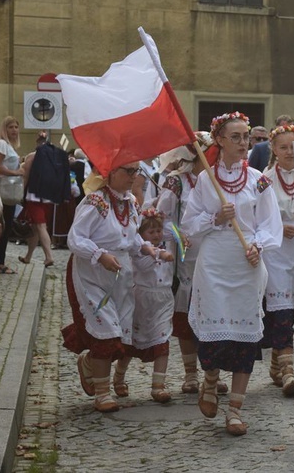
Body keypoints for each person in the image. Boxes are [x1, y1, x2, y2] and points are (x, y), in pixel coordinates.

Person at [181, 111, 282, 436]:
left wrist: (258, 246)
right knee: (215, 333)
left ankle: (235, 409)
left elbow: (271, 224)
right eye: (236, 137)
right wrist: (215, 217)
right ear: (220, 140)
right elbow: (187, 226)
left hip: (247, 265)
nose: (243, 143)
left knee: (244, 337)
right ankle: (210, 380)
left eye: (246, 137)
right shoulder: (204, 180)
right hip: (213, 266)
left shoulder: (259, 179)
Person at [61, 162, 156, 412]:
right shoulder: (95, 202)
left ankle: (90, 363)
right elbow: (76, 238)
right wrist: (99, 254)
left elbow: (130, 235)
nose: (133, 176)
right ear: (111, 172)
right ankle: (102, 393)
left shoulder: (131, 203)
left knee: (121, 331)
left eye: (136, 171)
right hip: (92, 272)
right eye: (128, 170)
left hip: (120, 274)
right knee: (106, 328)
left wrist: (143, 246)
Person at [155, 133, 228, 395]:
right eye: (210, 153)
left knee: (212, 313)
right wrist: (180, 235)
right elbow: (163, 219)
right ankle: (190, 374)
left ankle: (212, 372)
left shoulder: (217, 181)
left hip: (214, 254)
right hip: (186, 259)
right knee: (187, 316)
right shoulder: (177, 183)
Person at [260, 124, 294, 396]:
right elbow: (256, 216)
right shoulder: (264, 179)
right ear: (274, 150)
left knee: (291, 311)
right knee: (279, 309)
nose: (289, 152)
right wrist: (279, 227)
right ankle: (289, 370)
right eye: (283, 147)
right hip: (276, 252)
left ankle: (277, 362)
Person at [112, 207, 175, 403]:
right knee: (133, 341)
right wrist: (159, 254)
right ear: (141, 234)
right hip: (142, 299)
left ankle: (158, 385)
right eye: (151, 232)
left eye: (158, 231)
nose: (156, 235)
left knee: (163, 340)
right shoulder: (139, 252)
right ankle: (119, 376)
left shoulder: (166, 245)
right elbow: (145, 262)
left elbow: (175, 231)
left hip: (163, 299)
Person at [19, 132, 71, 267]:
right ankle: (28, 256)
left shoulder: (31, 156)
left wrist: (21, 194)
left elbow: (25, 176)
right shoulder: (55, 157)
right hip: (49, 197)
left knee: (40, 226)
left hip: (34, 196)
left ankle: (49, 256)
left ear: (37, 143)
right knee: (35, 227)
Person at [0, 116, 25, 274]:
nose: (14, 130)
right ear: (4, 130)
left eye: (16, 127)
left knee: (6, 229)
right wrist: (16, 172)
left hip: (10, 194)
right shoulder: (1, 144)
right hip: (2, 193)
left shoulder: (10, 147)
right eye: (10, 127)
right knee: (1, 228)